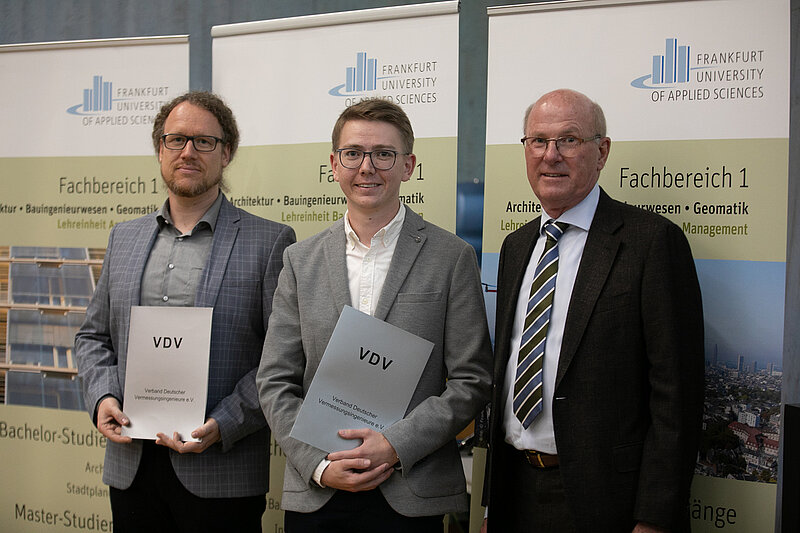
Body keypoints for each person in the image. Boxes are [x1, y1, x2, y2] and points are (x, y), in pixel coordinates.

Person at [257, 99, 492, 532]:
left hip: (410, 490)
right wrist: (318, 464)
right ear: (334, 165)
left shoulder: (452, 257)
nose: (367, 167)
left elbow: (471, 380)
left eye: (383, 154)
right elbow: (274, 380)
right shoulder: (300, 261)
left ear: (408, 166)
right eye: (353, 153)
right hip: (319, 492)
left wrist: (395, 445)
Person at [482, 89, 704, 532]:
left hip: (608, 501)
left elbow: (676, 395)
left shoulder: (650, 242)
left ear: (602, 151)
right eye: (538, 141)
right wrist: (492, 507)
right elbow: (506, 374)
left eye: (569, 140)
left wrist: (655, 518)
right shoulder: (516, 246)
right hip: (516, 491)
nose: (550, 155)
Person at [75, 90, 296, 532]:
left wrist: (224, 423)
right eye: (176, 140)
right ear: (160, 150)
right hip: (132, 467)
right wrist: (103, 398)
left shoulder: (270, 242)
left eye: (204, 141)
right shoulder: (124, 237)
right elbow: (92, 338)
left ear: (226, 153)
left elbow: (283, 358)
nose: (188, 152)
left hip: (221, 472)